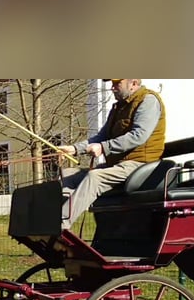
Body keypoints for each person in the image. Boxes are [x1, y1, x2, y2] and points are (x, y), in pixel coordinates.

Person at [57, 79, 166, 229]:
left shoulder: (148, 101)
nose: (112, 88)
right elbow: (102, 136)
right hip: (119, 165)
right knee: (68, 174)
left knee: (94, 177)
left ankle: (59, 225)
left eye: (117, 84)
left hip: (140, 164)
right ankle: (55, 218)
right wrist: (74, 149)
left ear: (133, 83)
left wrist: (103, 147)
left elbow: (138, 136)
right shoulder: (118, 108)